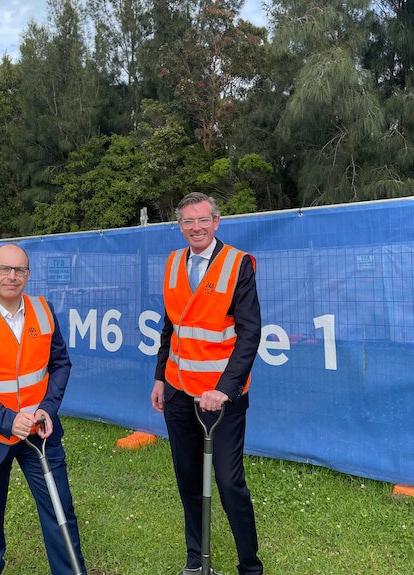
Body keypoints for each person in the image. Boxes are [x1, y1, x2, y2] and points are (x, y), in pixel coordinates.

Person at [0, 243, 87, 575]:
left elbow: (61, 364)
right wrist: (9, 421)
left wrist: (47, 410)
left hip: (40, 432)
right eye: (5, 269)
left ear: (28, 274)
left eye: (20, 269)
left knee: (59, 509)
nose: (13, 276)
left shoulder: (44, 310)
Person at [151, 192, 264, 575]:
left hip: (222, 399)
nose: (195, 228)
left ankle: (250, 565)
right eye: (188, 222)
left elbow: (250, 334)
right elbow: (170, 327)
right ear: (179, 226)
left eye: (203, 220)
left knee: (229, 484)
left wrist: (225, 389)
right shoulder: (171, 263)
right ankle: (196, 561)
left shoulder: (238, 264)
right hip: (179, 392)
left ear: (216, 222)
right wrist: (159, 377)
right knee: (187, 479)